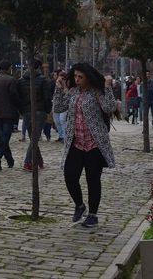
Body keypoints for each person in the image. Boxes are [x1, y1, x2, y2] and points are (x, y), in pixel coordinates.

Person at [53, 63, 116, 228]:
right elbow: (58, 107)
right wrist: (59, 88)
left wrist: (107, 87)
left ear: (88, 77)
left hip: (94, 144)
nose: (77, 79)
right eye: (75, 77)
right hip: (75, 142)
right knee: (69, 175)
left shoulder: (96, 92)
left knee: (93, 180)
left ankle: (93, 214)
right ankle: (79, 205)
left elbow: (109, 107)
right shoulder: (73, 92)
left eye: (80, 77)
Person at [17, 59, 52, 171]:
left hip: (27, 111)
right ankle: (28, 162)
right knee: (34, 138)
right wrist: (47, 110)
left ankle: (39, 161)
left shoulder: (21, 81)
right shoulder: (42, 80)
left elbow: (19, 97)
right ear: (39, 67)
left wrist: (22, 110)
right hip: (39, 111)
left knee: (34, 137)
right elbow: (46, 97)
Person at [0, 60, 19, 170]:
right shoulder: (11, 80)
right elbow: (14, 96)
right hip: (8, 113)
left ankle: (9, 160)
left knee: (2, 137)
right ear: (8, 68)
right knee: (5, 138)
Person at [52, 70, 68, 142]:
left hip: (64, 106)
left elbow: (66, 93)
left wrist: (62, 86)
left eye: (62, 78)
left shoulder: (66, 84)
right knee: (57, 121)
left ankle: (65, 137)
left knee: (62, 120)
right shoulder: (55, 84)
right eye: (59, 77)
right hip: (56, 105)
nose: (60, 79)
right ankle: (61, 136)